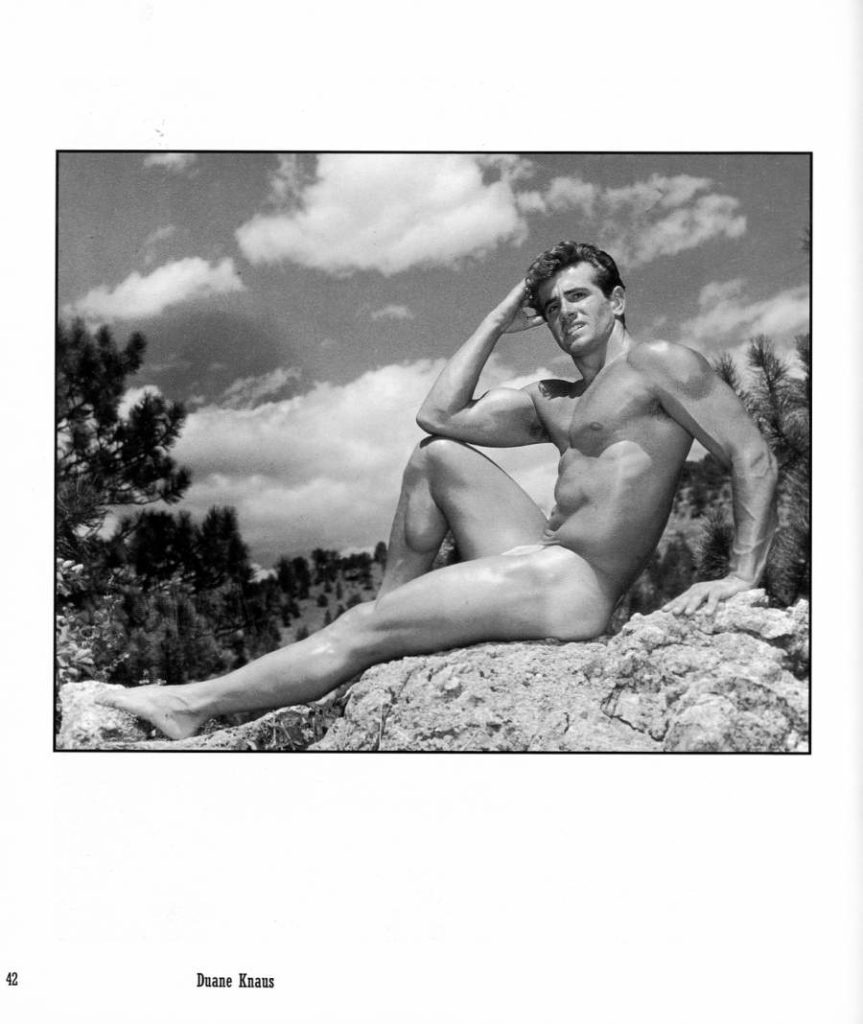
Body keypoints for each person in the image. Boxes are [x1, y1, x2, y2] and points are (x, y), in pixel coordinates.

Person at [98, 241, 778, 740]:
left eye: (578, 296)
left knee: (358, 627)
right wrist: (498, 318)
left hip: (577, 585)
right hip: (541, 557)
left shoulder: (658, 364)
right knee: (437, 458)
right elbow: (439, 415)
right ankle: (393, 618)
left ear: (616, 300)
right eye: (550, 306)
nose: (564, 312)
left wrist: (741, 574)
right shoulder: (556, 398)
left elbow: (751, 455)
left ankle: (190, 705)